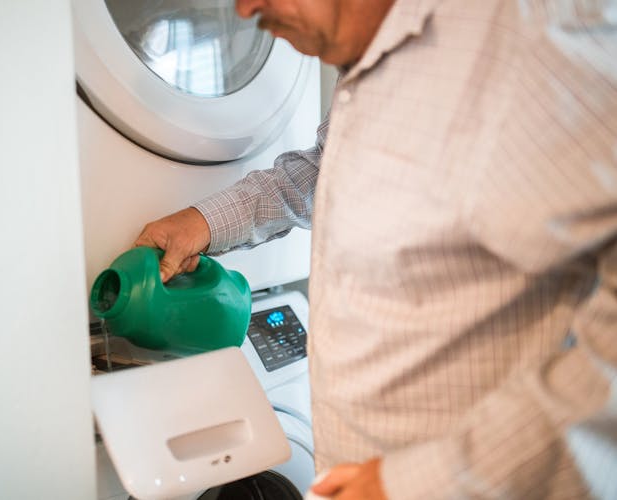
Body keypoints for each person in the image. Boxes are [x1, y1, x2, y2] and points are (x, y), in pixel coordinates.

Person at [135, 0, 617, 498]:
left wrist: (422, 482)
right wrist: (205, 222)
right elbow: (329, 167)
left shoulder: (523, 42)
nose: (245, 9)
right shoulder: (368, 59)